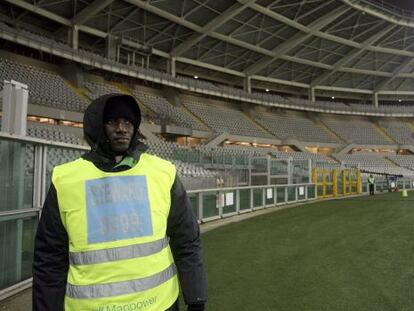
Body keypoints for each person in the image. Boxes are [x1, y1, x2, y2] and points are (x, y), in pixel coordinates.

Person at [32, 93, 207, 311]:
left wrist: (196, 298)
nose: (121, 128)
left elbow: (187, 241)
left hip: (159, 304)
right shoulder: (66, 179)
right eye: (112, 121)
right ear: (98, 126)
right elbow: (49, 259)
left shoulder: (163, 173)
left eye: (127, 122)